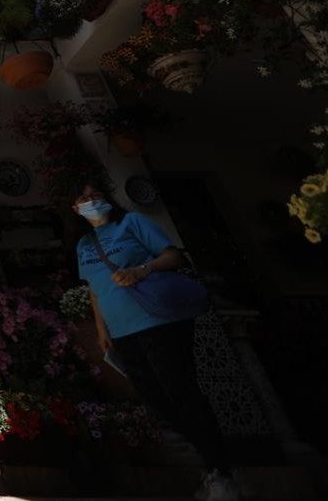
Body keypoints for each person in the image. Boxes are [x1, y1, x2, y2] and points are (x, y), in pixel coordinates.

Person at [72, 183, 240, 501]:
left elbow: (173, 257)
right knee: (158, 401)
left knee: (182, 392)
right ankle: (216, 461)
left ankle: (222, 473)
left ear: (107, 199)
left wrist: (141, 270)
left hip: (160, 321)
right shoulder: (84, 244)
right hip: (122, 332)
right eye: (83, 198)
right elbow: (93, 289)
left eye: (95, 195)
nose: (90, 200)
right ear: (74, 209)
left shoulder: (132, 223)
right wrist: (101, 330)